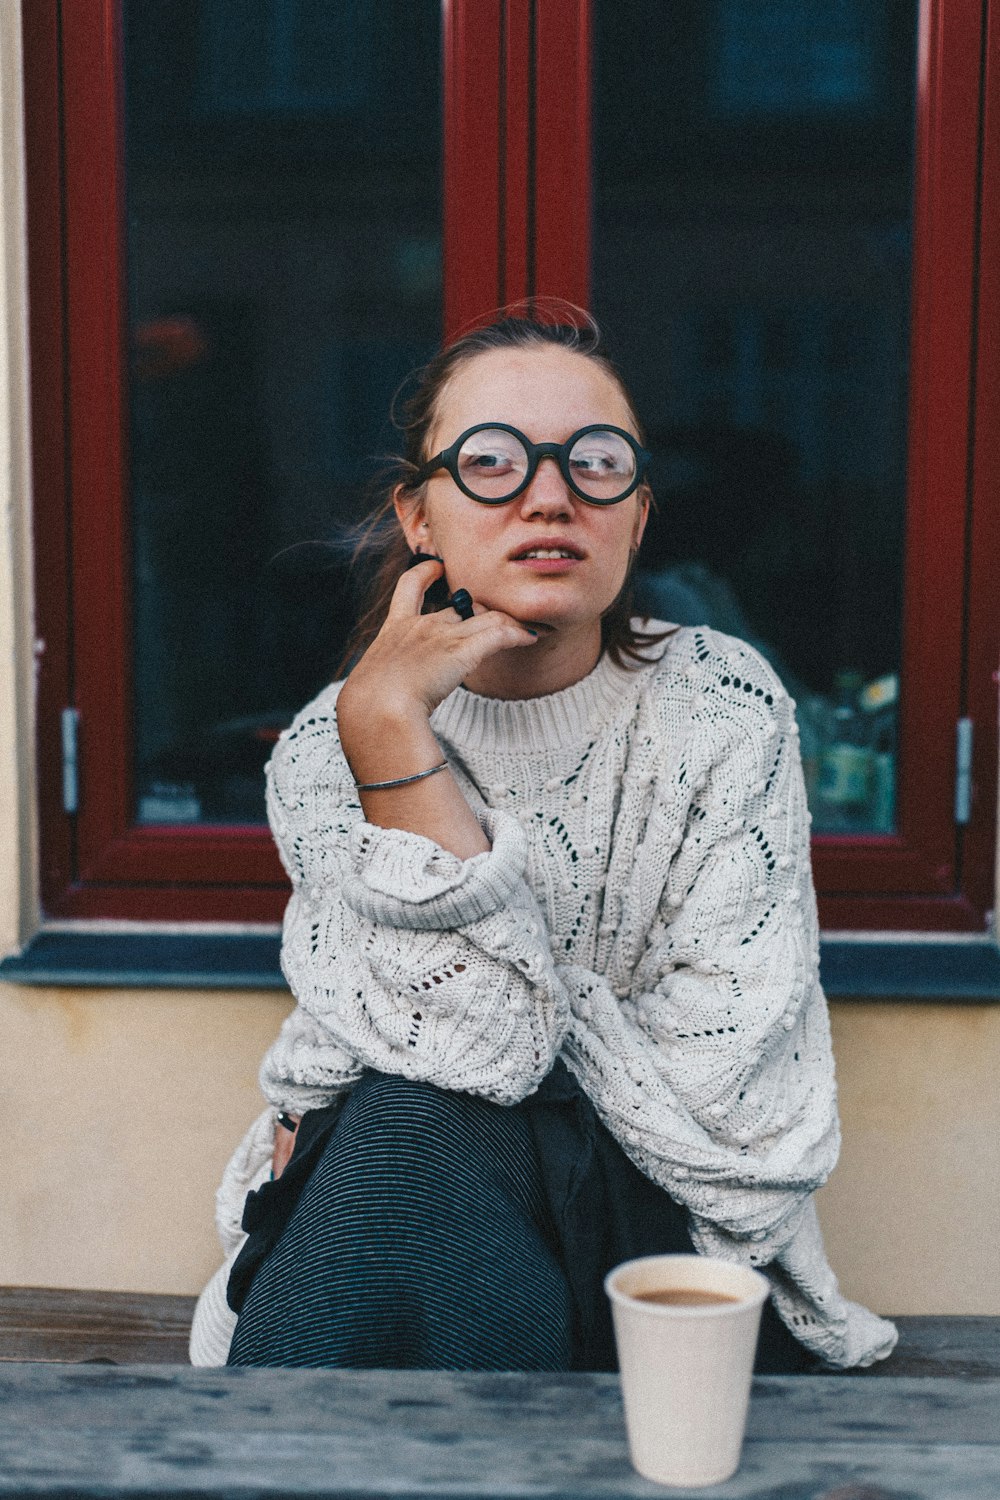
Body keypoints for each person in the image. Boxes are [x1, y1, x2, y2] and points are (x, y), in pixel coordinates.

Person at [190, 312, 897, 1374]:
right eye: (491, 463)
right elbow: (384, 1044)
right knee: (410, 1130)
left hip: (662, 1223)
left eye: (596, 463)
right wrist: (390, 737)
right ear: (417, 517)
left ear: (638, 514)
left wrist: (491, 1030)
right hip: (424, 1214)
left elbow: (729, 1082)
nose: (550, 494)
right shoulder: (326, 750)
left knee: (411, 1116)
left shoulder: (722, 712)